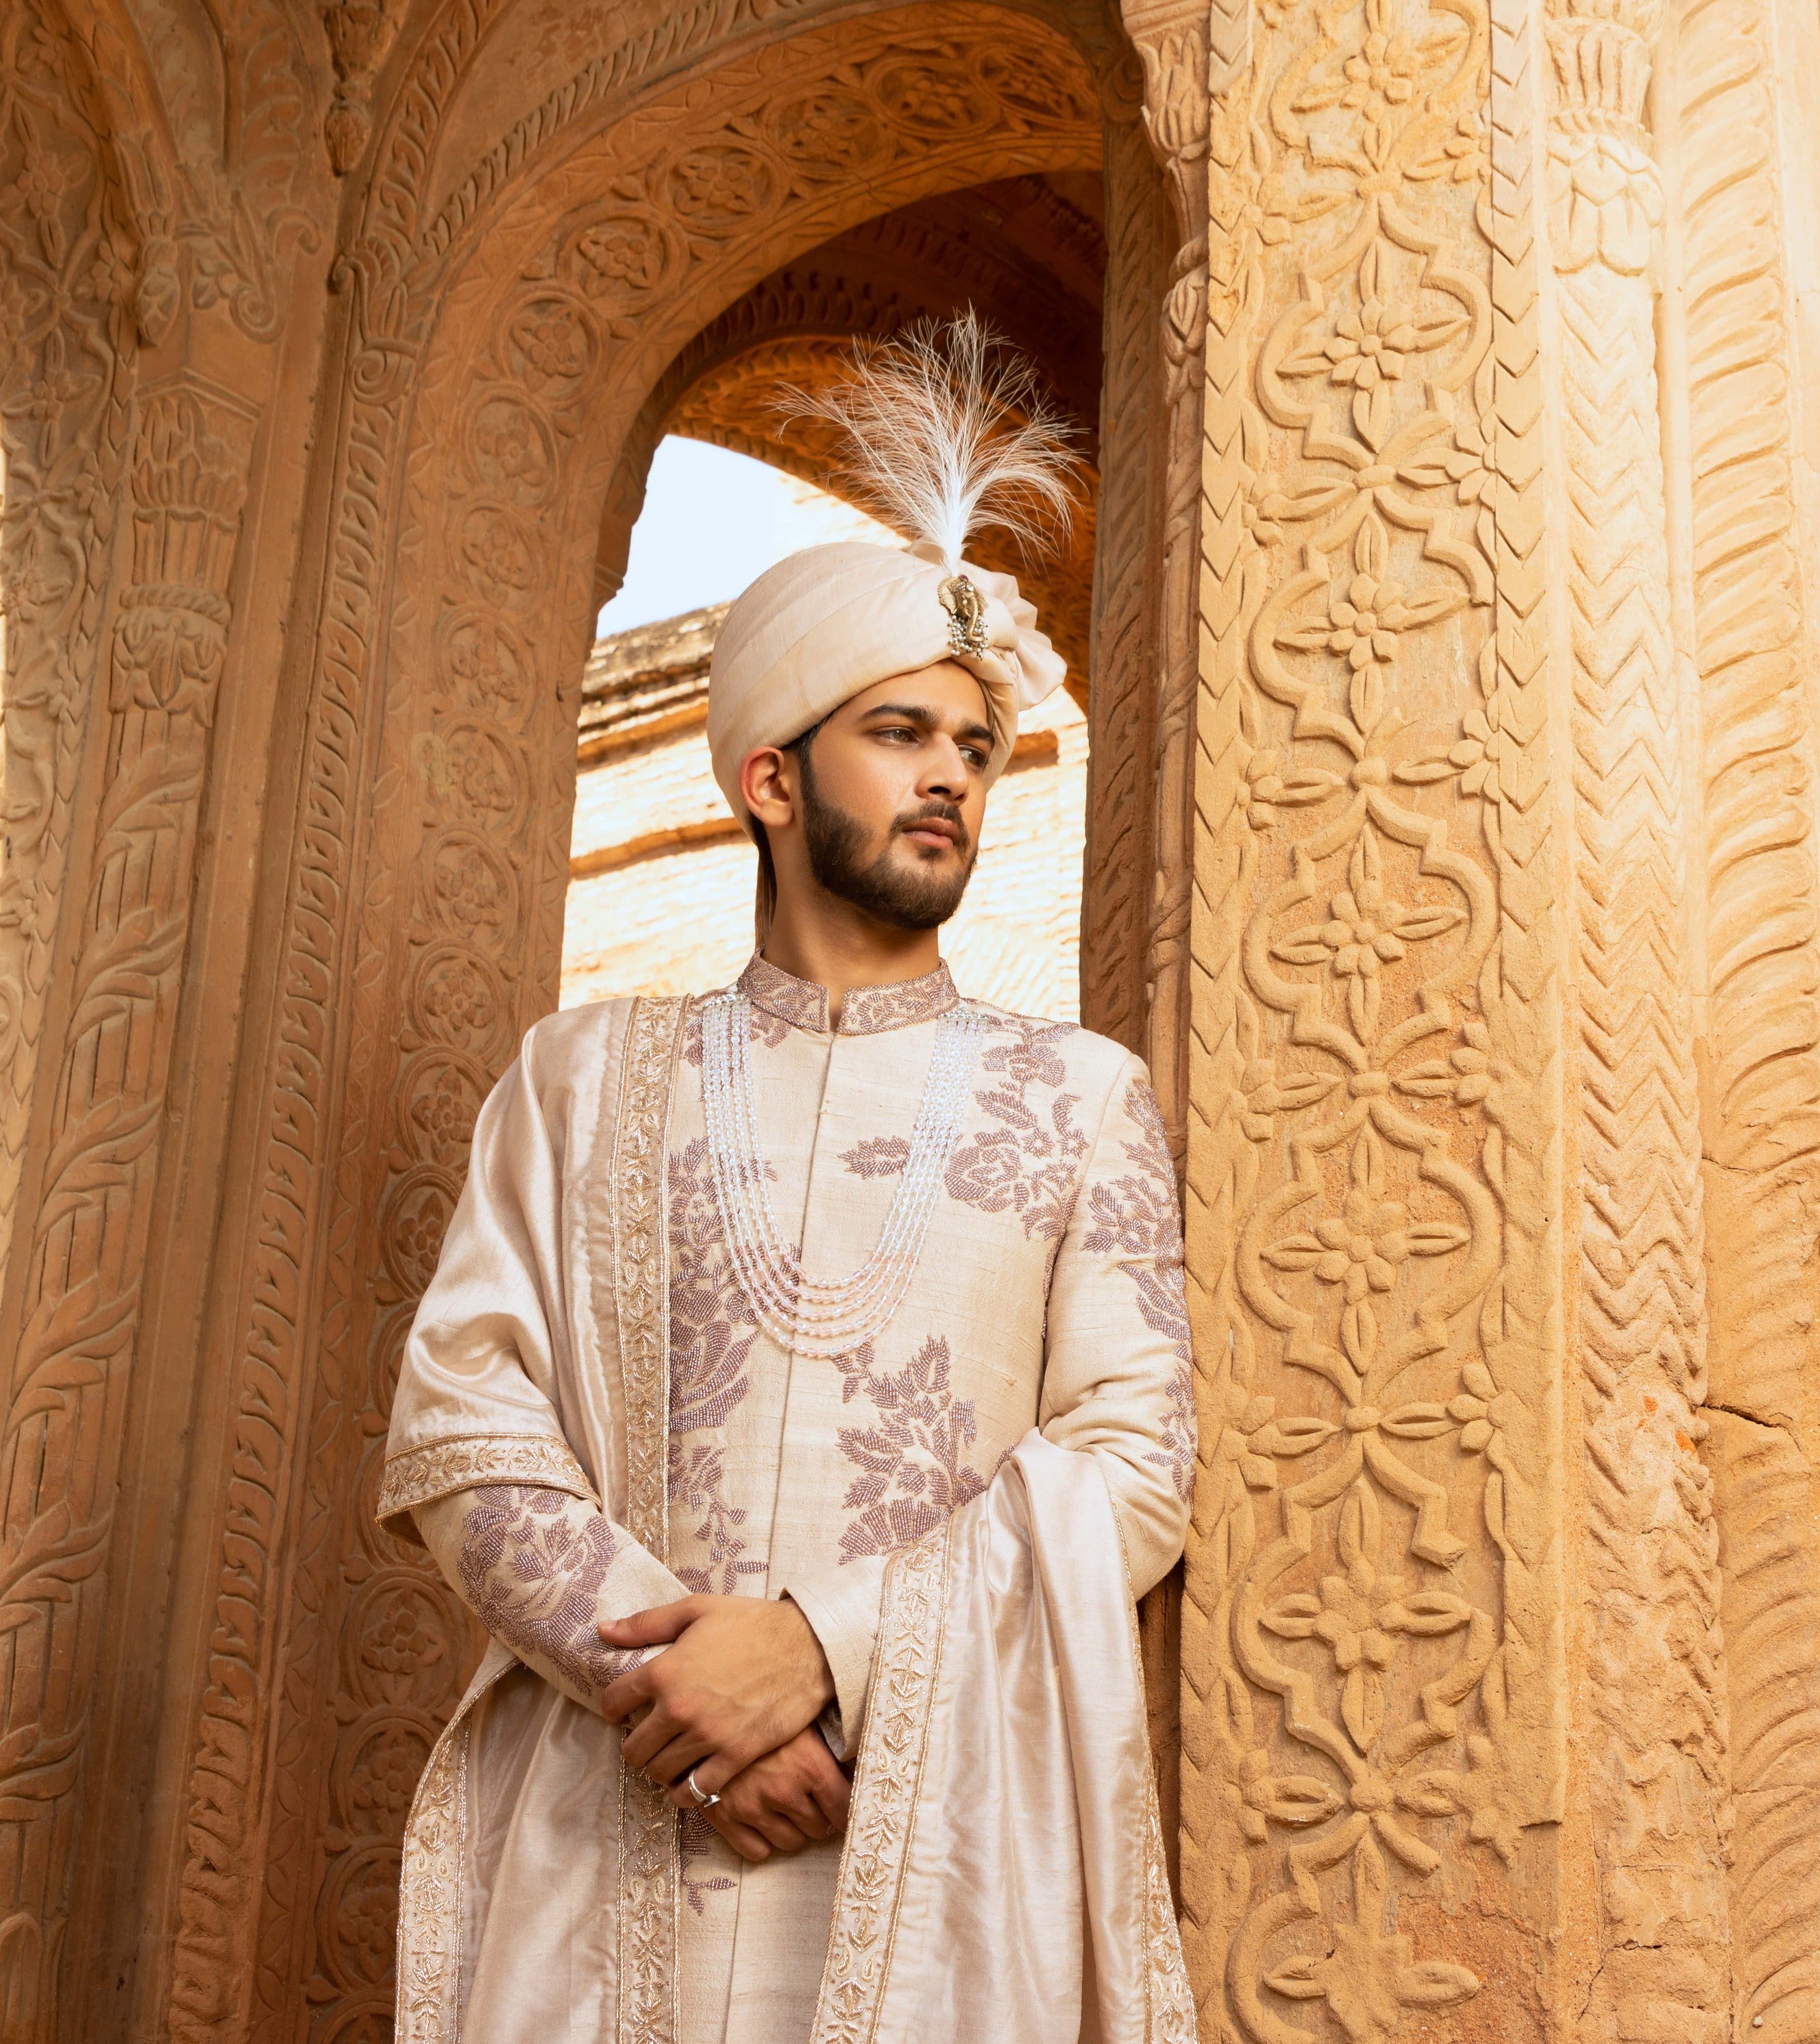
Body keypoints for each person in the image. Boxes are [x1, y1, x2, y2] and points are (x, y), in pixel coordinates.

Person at [376, 315, 1198, 2044]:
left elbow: (1131, 1460)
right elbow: (466, 1416)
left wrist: (816, 1652)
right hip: (610, 1834)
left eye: (974, 750)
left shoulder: (1075, 1097)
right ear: (768, 776)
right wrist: (670, 1693)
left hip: (938, 1839)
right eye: (903, 734)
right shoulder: (582, 1079)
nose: (952, 783)